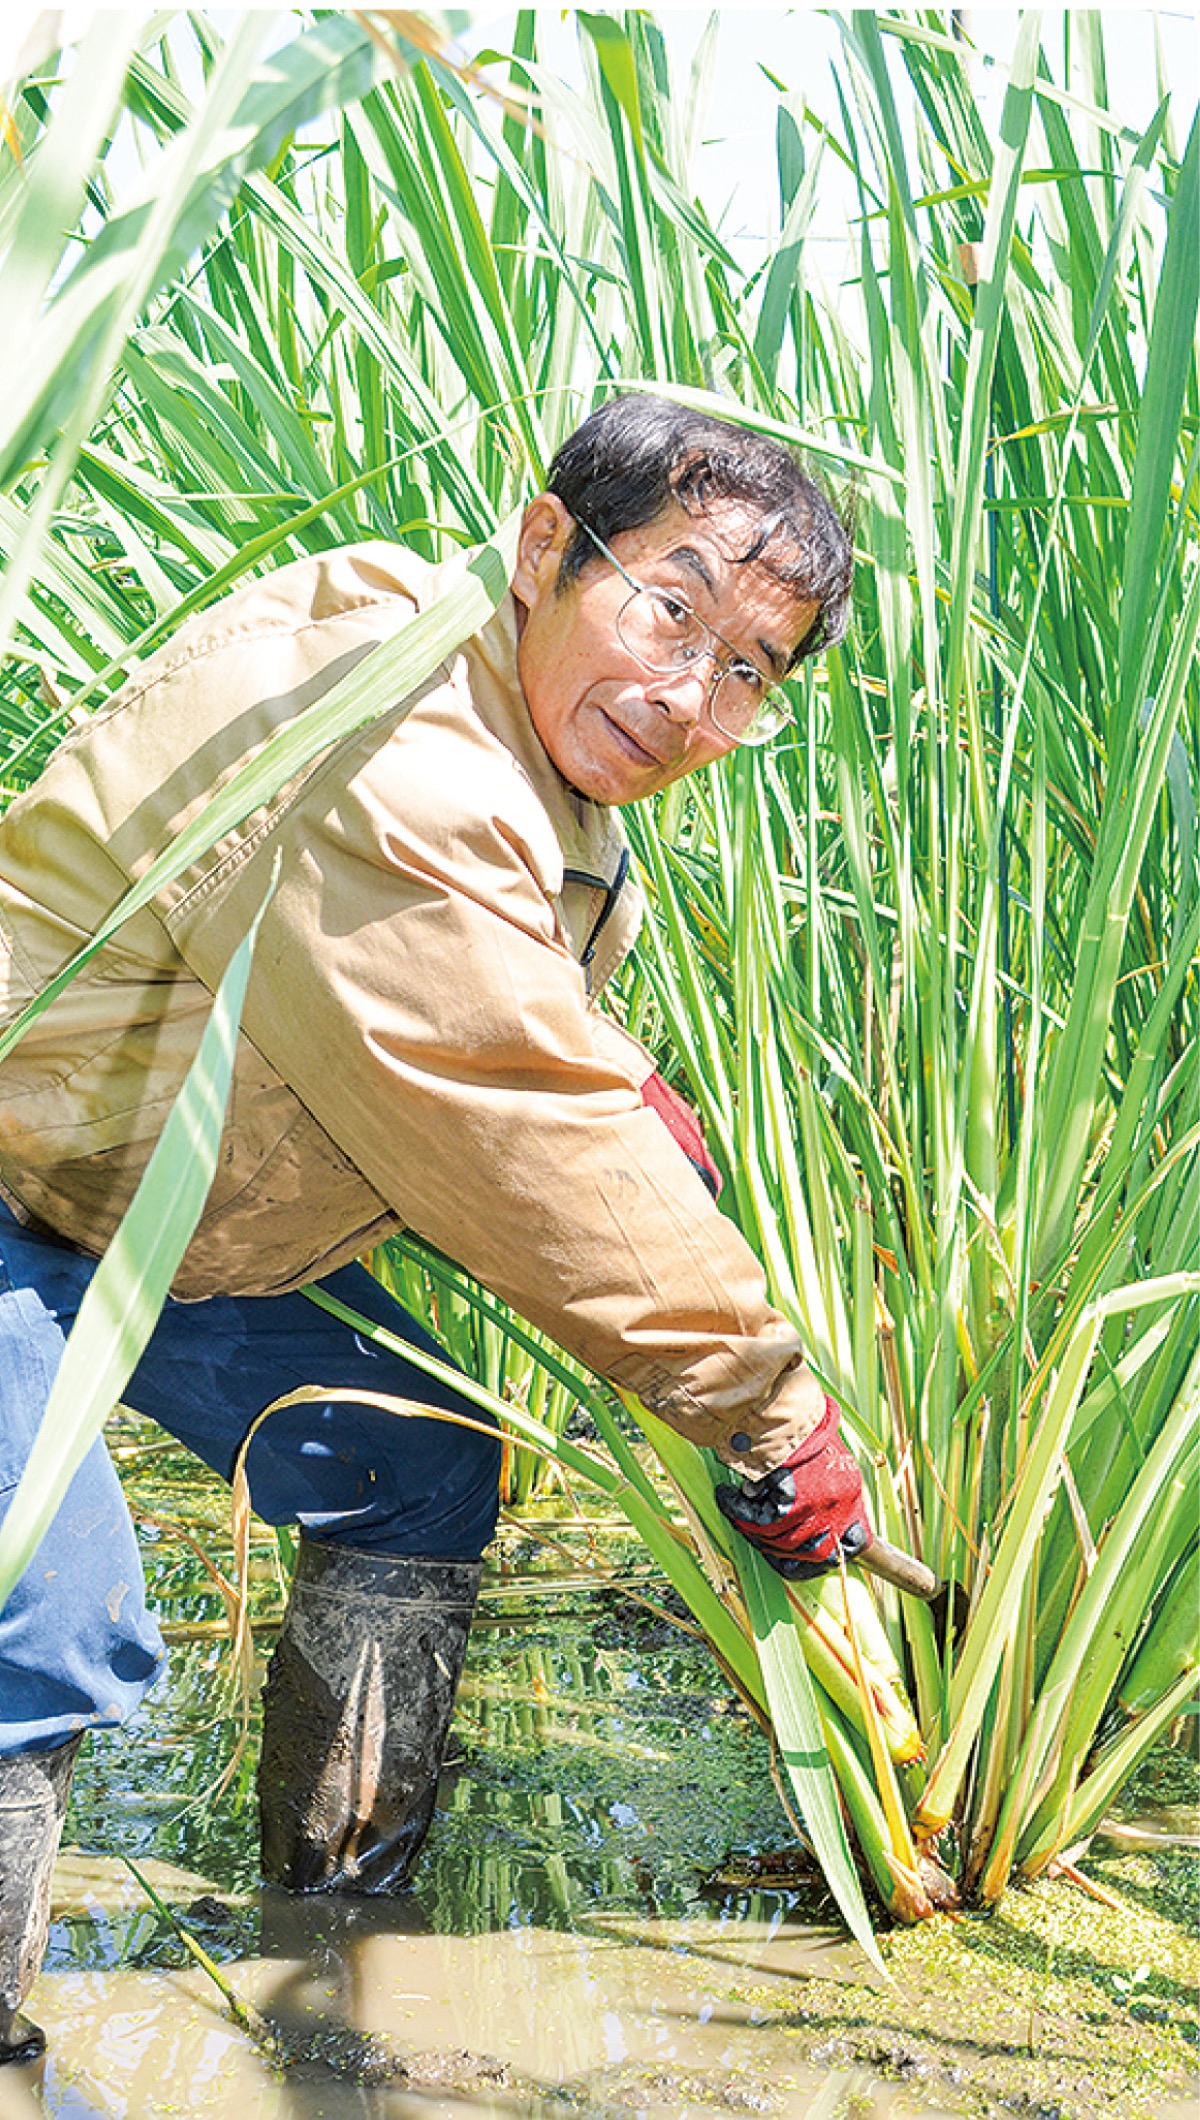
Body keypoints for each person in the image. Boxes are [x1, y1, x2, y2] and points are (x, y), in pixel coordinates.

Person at [0, 394, 868, 2062]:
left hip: (152, 1228)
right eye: (672, 608)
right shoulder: (398, 745)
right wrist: (773, 1414)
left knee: (420, 1461)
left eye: (752, 670)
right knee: (49, 1623)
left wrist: (613, 1069)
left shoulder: (505, 704)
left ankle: (329, 1934)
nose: (692, 693)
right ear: (550, 546)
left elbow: (483, 1010)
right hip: (8, 1194)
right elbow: (510, 1129)